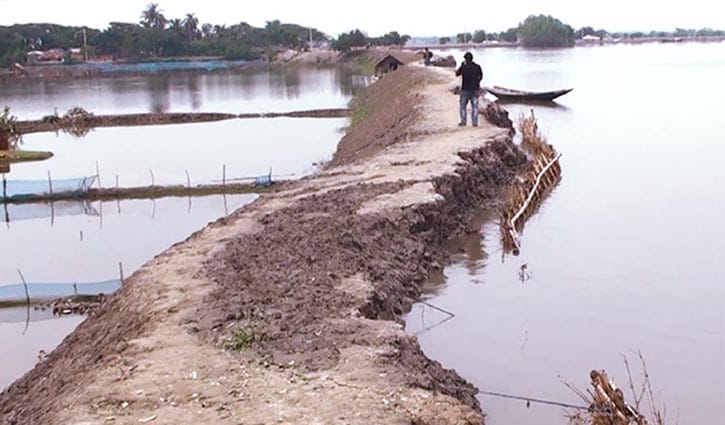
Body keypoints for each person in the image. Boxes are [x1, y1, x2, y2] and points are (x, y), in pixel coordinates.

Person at [455, 51, 483, 127]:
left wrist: (461, 65)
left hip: (465, 90)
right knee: (475, 107)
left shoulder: (464, 67)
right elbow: (481, 76)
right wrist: (477, 82)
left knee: (463, 106)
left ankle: (463, 122)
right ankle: (475, 123)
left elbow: (457, 74)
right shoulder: (477, 67)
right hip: (475, 89)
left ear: (465, 59)